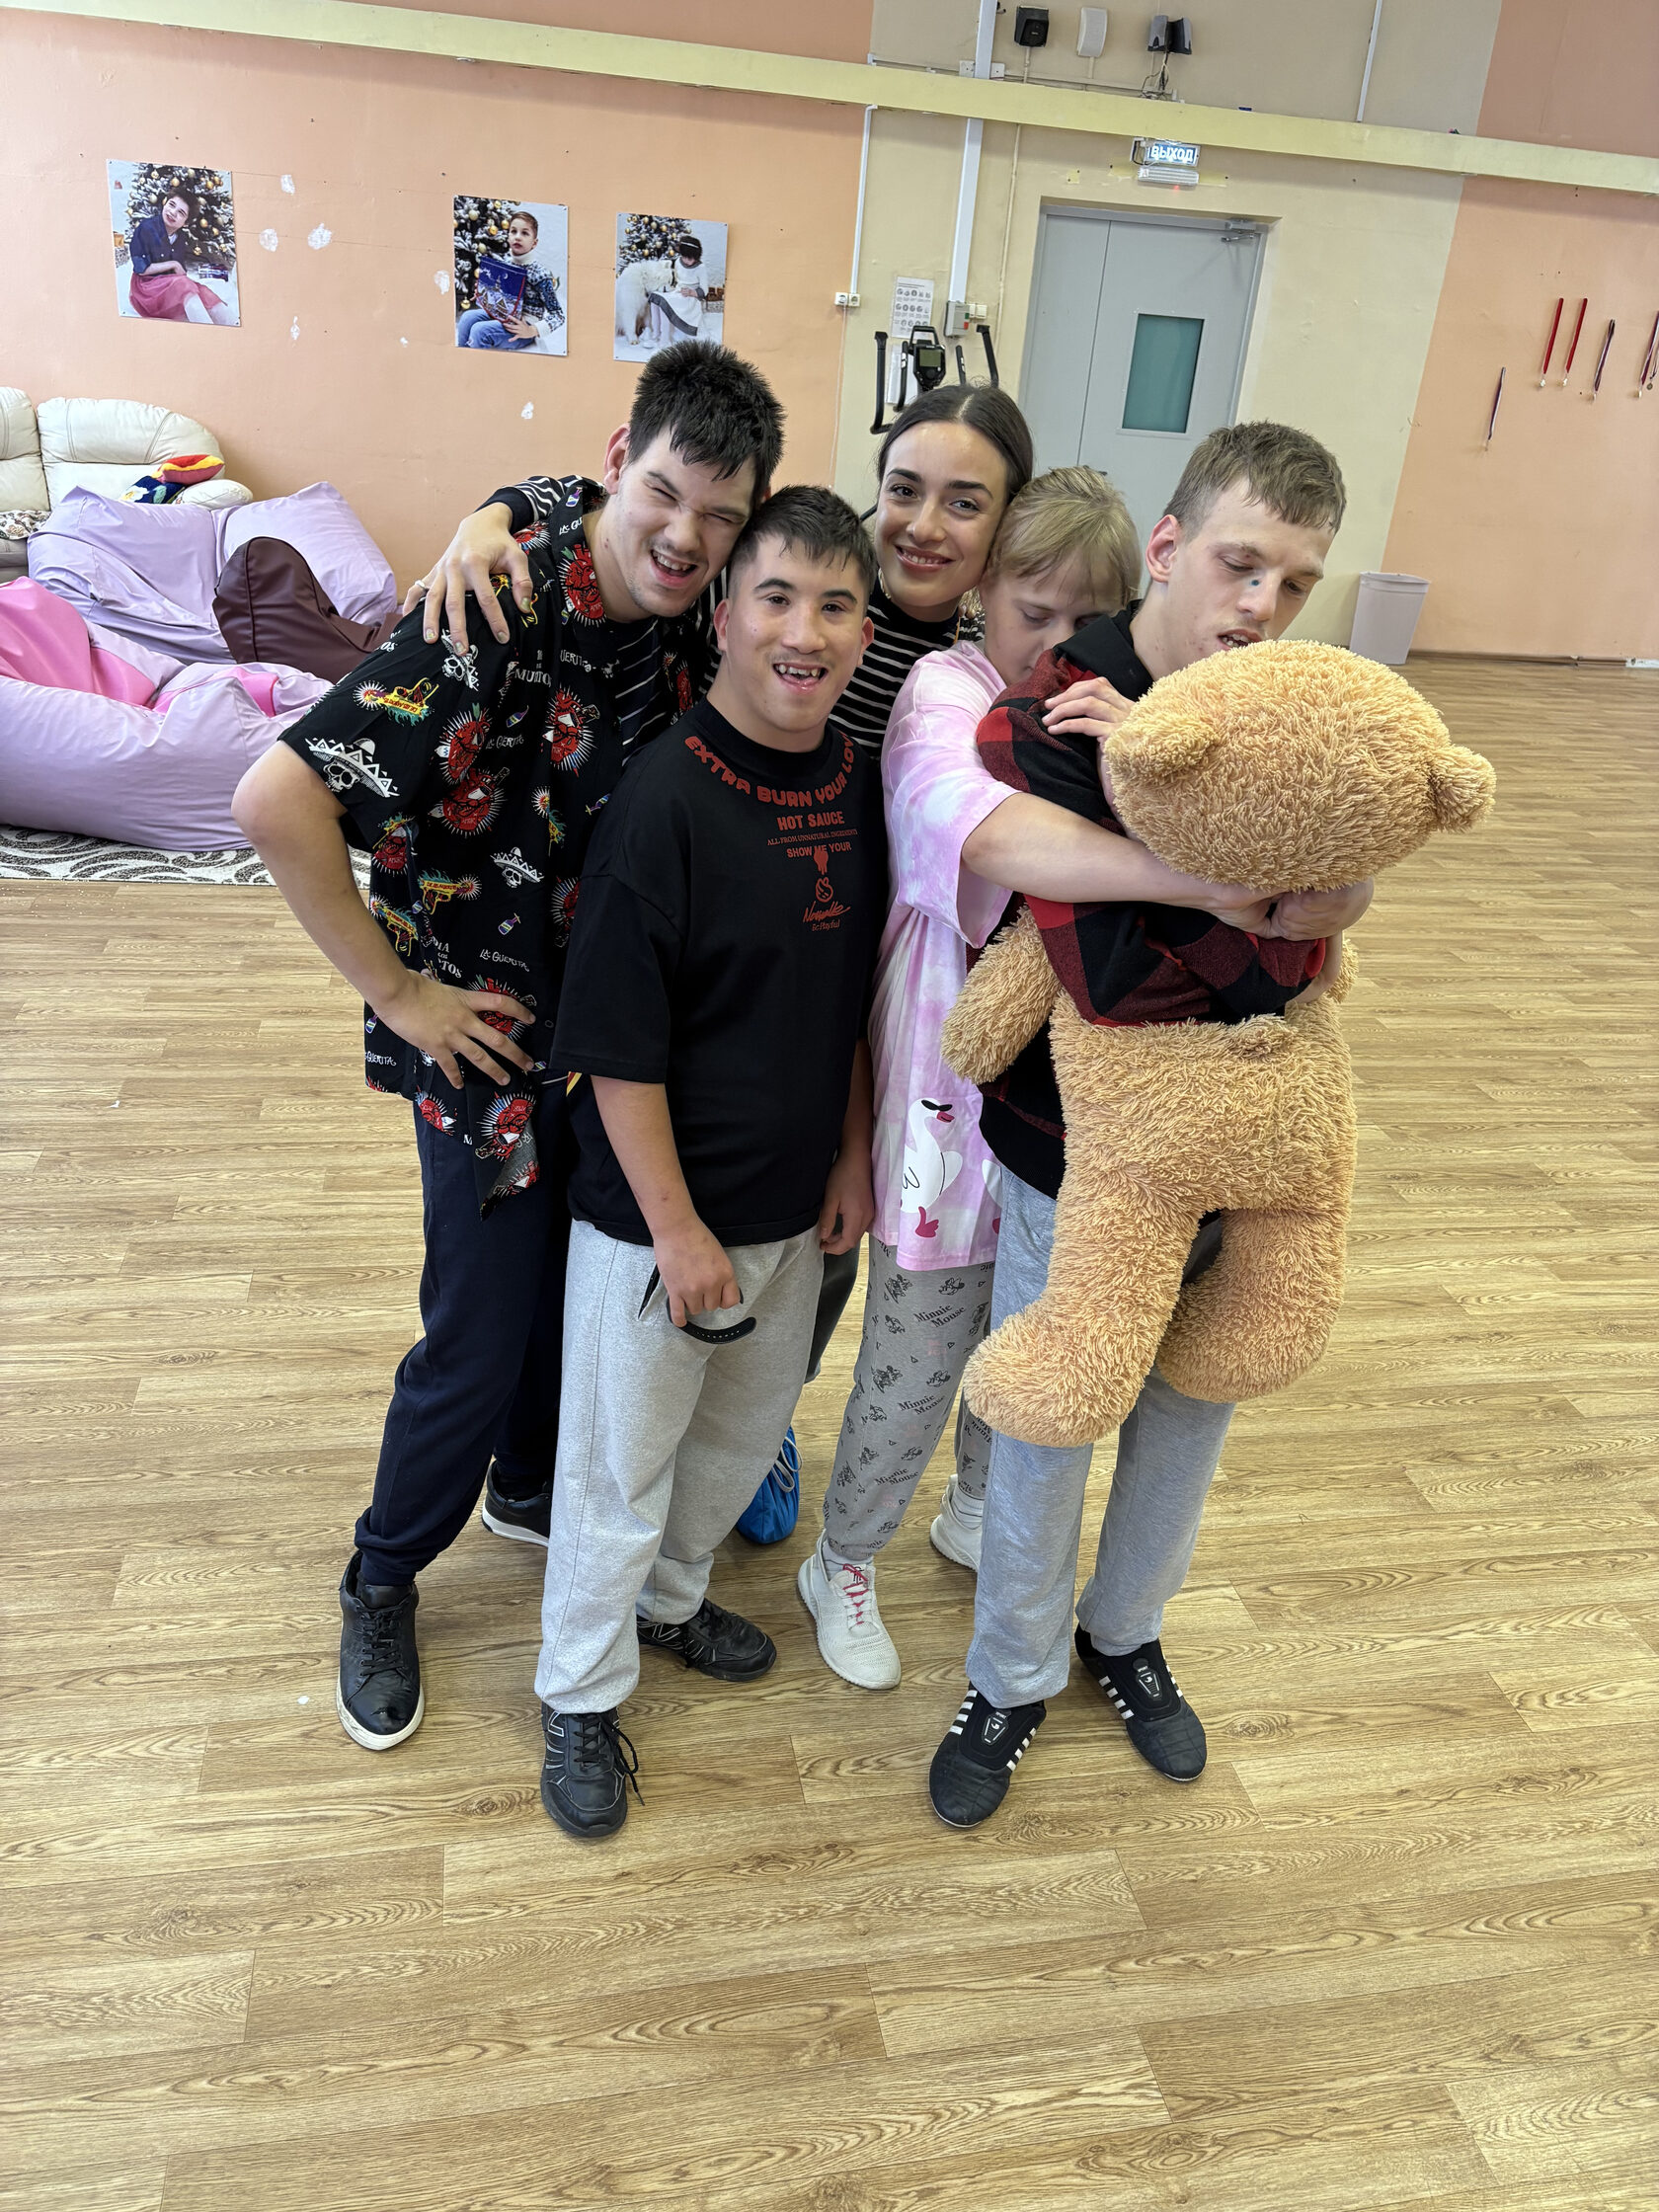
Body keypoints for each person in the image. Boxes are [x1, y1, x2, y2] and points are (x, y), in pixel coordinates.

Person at [230, 342, 783, 1754]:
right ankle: (380, 1573)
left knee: (569, 1310)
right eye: (665, 494)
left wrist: (510, 495)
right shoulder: (490, 606)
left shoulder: (695, 615)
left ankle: (527, 1487)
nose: (687, 537)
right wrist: (400, 994)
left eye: (720, 517)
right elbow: (273, 799)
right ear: (618, 461)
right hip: (483, 1052)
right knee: (476, 1338)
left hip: (610, 1051)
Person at [412, 382, 1037, 1536]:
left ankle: (759, 1406)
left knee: (815, 1253)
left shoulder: (984, 663)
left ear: (1005, 530)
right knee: (567, 1275)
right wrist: (497, 512)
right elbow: (651, 504)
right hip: (693, 959)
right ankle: (567, 1464)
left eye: (966, 502)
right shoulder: (792, 580)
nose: (923, 525)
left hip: (863, 994)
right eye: (904, 489)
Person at [925, 421, 1376, 1829]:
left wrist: (1323, 902)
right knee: (1057, 1417)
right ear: (1170, 547)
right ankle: (1008, 1674)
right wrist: (1267, 903)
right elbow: (1109, 974)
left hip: (1252, 1148)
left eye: (1295, 582)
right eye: (1241, 563)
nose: (1262, 604)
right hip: (1075, 1148)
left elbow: (1332, 901)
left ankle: (1124, 1633)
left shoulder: (1287, 705)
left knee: (1195, 1407)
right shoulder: (1056, 710)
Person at [799, 466, 1297, 1688]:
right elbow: (991, 834)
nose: (1061, 642)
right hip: (943, 1089)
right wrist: (1207, 872)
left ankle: (975, 1503)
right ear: (985, 598)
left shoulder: (1136, 709)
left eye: (1089, 618)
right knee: (917, 1353)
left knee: (1027, 1337)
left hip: (1074, 1117)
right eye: (1036, 611)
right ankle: (846, 1553)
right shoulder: (950, 689)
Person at [535, 486, 886, 1837]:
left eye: (836, 605)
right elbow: (617, 1052)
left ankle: (670, 1608)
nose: (806, 631)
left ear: (863, 633)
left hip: (794, 1213)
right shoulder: (663, 802)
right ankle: (579, 1691)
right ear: (726, 614)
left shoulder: (854, 782)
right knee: (617, 1473)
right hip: (656, 1227)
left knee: (736, 1445)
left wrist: (850, 1155)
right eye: (778, 597)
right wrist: (677, 1231)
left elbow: (852, 1001)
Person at [455, 208, 564, 353]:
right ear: (508, 236)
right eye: (513, 231)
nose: (517, 237)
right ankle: (462, 356)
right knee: (467, 318)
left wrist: (532, 330)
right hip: (502, 314)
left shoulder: (540, 274)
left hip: (522, 326)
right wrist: (483, 293)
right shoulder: (505, 262)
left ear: (534, 243)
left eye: (525, 233)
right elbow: (499, 293)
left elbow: (558, 315)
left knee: (480, 330)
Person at [126, 186, 234, 326]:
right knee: (184, 285)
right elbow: (141, 269)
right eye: (171, 205)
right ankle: (206, 329)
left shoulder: (180, 236)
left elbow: (179, 273)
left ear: (186, 223)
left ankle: (232, 325)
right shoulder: (146, 228)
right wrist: (174, 264)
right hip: (145, 288)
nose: (173, 213)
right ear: (165, 203)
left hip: (168, 285)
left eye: (181, 213)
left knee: (202, 290)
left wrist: (189, 283)